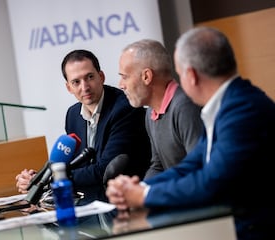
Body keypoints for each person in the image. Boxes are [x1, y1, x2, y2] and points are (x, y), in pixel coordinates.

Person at [106, 26, 275, 240]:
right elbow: (192, 164)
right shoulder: (227, 106)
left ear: (191, 75)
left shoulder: (241, 110)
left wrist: (145, 195)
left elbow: (212, 182)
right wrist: (139, 187)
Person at [16, 49, 151, 205]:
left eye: (90, 77)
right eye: (76, 82)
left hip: (128, 202)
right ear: (69, 87)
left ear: (101, 77)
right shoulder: (73, 115)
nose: (85, 87)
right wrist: (37, 178)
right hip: (93, 201)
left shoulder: (124, 109)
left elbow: (104, 171)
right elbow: (74, 166)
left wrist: (51, 179)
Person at [118, 39, 203, 179]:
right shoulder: (151, 112)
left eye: (125, 77)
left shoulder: (185, 107)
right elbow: (158, 166)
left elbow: (200, 170)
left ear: (146, 76)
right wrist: (142, 191)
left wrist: (152, 194)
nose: (121, 85)